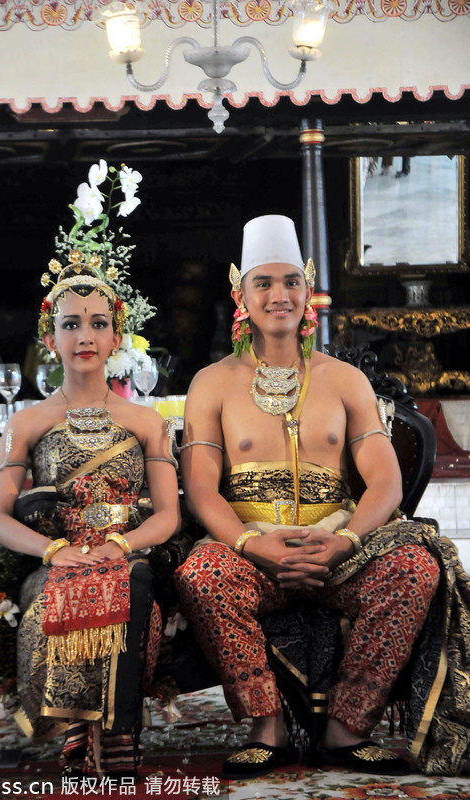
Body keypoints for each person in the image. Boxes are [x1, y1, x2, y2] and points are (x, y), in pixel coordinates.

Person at [175, 215, 469, 779]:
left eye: (291, 282)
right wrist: (250, 543)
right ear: (240, 293)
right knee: (199, 575)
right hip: (249, 550)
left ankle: (347, 729)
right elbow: (201, 487)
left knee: (412, 566)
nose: (278, 295)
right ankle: (268, 728)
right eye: (263, 283)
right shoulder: (211, 382)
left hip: (337, 545)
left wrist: (345, 540)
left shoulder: (343, 379)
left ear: (308, 291)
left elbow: (385, 480)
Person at [0, 252, 180, 780]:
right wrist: (54, 551)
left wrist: (121, 546)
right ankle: (81, 732)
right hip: (58, 562)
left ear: (118, 337)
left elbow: (168, 516)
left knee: (131, 584)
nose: (85, 335)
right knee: (69, 589)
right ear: (50, 341)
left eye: (99, 323)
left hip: (131, 554)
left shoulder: (146, 421)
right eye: (71, 324)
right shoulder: (28, 421)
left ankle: (115, 733)